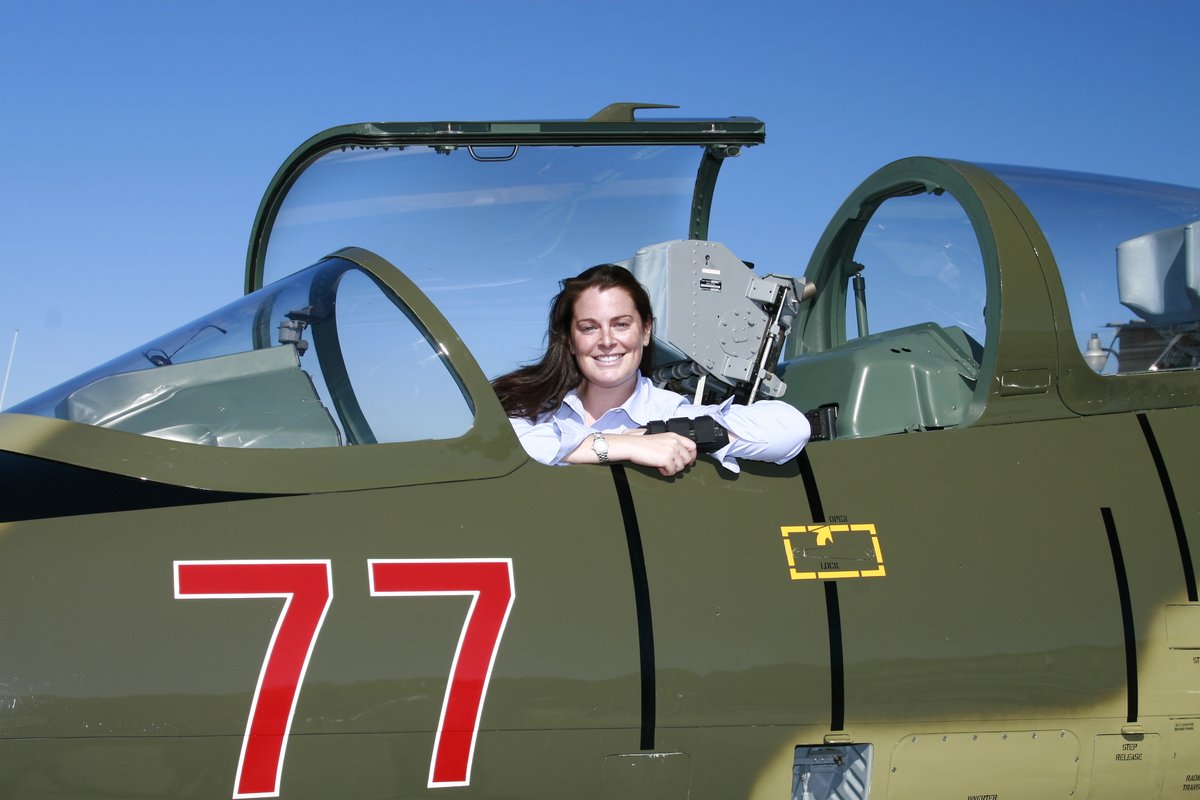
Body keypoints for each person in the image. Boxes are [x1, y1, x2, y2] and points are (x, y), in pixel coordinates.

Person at [492, 264, 810, 476]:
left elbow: (791, 428)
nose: (606, 341)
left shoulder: (670, 413)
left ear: (645, 332)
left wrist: (660, 434)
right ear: (572, 342)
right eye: (589, 328)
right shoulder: (534, 408)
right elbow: (501, 447)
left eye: (621, 325)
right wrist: (625, 443)